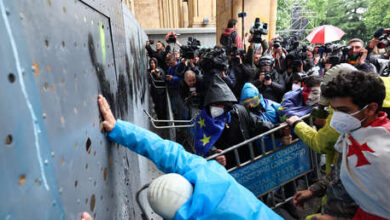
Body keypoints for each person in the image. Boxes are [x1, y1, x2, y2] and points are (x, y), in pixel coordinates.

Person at [97, 94, 282, 220]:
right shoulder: (209, 175)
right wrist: (119, 129)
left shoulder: (203, 172)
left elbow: (164, 150)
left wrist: (120, 129)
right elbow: (168, 153)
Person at [194, 75, 274, 169]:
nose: (217, 107)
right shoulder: (203, 120)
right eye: (214, 104)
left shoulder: (239, 111)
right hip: (227, 167)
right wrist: (214, 153)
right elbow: (202, 144)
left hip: (248, 160)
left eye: (220, 104)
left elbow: (258, 124)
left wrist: (278, 130)